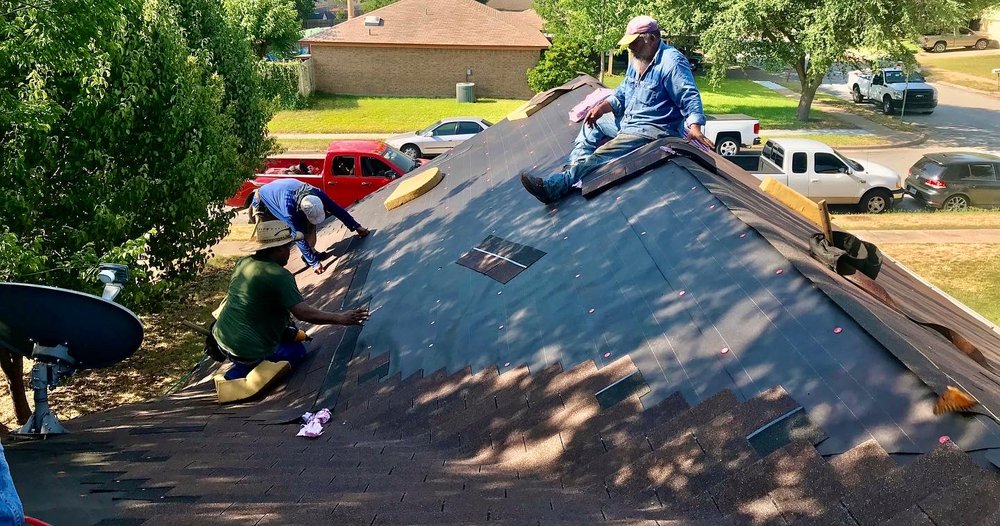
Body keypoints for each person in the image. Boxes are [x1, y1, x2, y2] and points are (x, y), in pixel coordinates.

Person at [520, 15, 714, 204]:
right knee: (592, 124)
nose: (630, 47)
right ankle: (573, 169)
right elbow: (622, 94)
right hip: (628, 122)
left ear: (651, 39)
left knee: (601, 156)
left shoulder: (671, 62)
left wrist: (695, 127)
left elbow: (688, 95)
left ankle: (554, 188)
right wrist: (601, 108)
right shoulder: (638, 59)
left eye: (634, 42)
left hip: (652, 131)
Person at [212, 220, 369, 380]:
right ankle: (237, 373)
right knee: (297, 352)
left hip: (220, 335)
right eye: (287, 246)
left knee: (284, 333)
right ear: (277, 248)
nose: (289, 250)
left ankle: (243, 356)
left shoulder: (244, 263)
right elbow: (304, 313)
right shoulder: (278, 275)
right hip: (243, 349)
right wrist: (341, 318)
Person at [252, 179, 370, 274]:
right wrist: (314, 263)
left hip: (283, 194)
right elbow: (298, 236)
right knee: (278, 240)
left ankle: (310, 254)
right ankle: (274, 272)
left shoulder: (317, 193)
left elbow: (337, 209)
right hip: (264, 204)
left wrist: (356, 226)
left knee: (307, 226)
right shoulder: (289, 211)